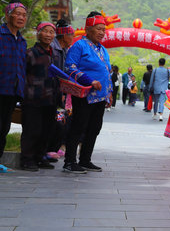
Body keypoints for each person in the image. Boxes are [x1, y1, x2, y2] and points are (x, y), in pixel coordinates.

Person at [63, 11, 112, 174]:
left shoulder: (102, 49)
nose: (101, 33)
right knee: (78, 127)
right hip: (84, 95)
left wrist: (109, 92)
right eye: (98, 29)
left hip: (100, 97)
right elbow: (70, 67)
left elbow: (107, 71)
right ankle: (69, 162)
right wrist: (89, 80)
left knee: (94, 128)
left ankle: (85, 160)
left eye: (103, 30)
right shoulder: (79, 45)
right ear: (88, 29)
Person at [0, 0, 28, 174]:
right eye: (18, 14)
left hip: (12, 90)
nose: (21, 17)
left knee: (4, 127)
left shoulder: (22, 41)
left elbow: (21, 67)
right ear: (8, 15)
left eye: (24, 15)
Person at [20, 22, 59, 171]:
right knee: (32, 129)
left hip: (50, 98)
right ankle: (27, 160)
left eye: (52, 32)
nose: (49, 35)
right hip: (32, 97)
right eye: (46, 31)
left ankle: (40, 157)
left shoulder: (54, 54)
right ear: (39, 33)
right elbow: (22, 74)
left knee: (46, 130)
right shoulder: (30, 53)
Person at [47, 19, 75, 161]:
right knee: (53, 120)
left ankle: (54, 147)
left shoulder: (65, 50)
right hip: (50, 91)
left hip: (60, 92)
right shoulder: (53, 48)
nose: (73, 37)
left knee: (60, 119)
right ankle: (48, 149)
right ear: (64, 36)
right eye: (71, 34)